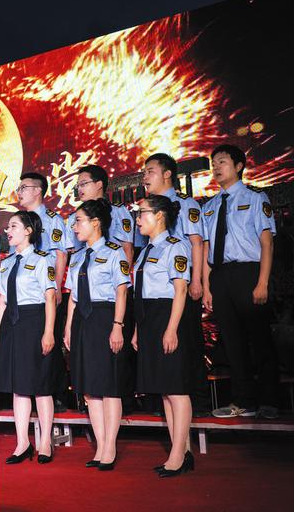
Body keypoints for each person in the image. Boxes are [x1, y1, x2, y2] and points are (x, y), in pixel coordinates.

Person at [202, 144, 278, 419]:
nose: (216, 167)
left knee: (260, 338)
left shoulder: (256, 198)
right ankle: (243, 400)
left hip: (249, 272)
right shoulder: (209, 206)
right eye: (213, 163)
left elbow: (267, 243)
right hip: (221, 275)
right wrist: (207, 287)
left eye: (222, 162)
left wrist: (262, 282)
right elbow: (206, 250)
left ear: (238, 166)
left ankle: (270, 400)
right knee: (232, 341)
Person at [63, 199, 131, 470]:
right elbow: (73, 297)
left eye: (79, 221)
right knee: (90, 388)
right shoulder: (77, 257)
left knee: (108, 385)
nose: (74, 226)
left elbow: (121, 291)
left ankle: (110, 446)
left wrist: (118, 325)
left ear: (96, 223)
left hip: (105, 318)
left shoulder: (114, 252)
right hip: (82, 321)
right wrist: (68, 327)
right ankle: (100, 445)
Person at [142, 153, 209, 417]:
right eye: (144, 172)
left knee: (188, 340)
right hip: (158, 283)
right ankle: (165, 400)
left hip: (183, 278)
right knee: (163, 348)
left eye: (150, 171)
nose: (145, 177)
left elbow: (197, 243)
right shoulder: (146, 208)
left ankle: (197, 400)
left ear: (167, 174)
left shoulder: (185, 203)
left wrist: (197, 280)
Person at [131, 195, 194, 477]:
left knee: (176, 389)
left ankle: (178, 455)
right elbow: (140, 292)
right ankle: (181, 451)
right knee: (165, 390)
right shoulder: (145, 250)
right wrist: (137, 328)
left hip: (168, 317)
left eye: (142, 213)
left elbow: (181, 290)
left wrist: (171, 329)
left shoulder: (175, 246)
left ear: (159, 215)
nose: (137, 219)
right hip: (148, 319)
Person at [0, 211, 57, 464]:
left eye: (13, 226)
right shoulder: (7, 262)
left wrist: (49, 332)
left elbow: (50, 297)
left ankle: (45, 442)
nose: (8, 231)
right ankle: (22, 443)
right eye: (8, 227)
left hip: (34, 321)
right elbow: (2, 300)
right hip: (11, 323)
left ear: (28, 231)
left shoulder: (42, 260)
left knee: (40, 384)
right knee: (18, 386)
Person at [17, 172, 70, 412]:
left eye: (24, 187)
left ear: (38, 190)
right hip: (24, 291)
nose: (19, 192)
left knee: (50, 341)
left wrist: (56, 286)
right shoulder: (18, 220)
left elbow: (60, 254)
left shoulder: (52, 219)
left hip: (46, 288)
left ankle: (55, 393)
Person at [66, 165, 134, 263]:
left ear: (99, 185)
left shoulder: (117, 211)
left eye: (83, 184)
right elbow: (73, 253)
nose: (79, 189)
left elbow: (127, 250)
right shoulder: (73, 217)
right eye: (78, 186)